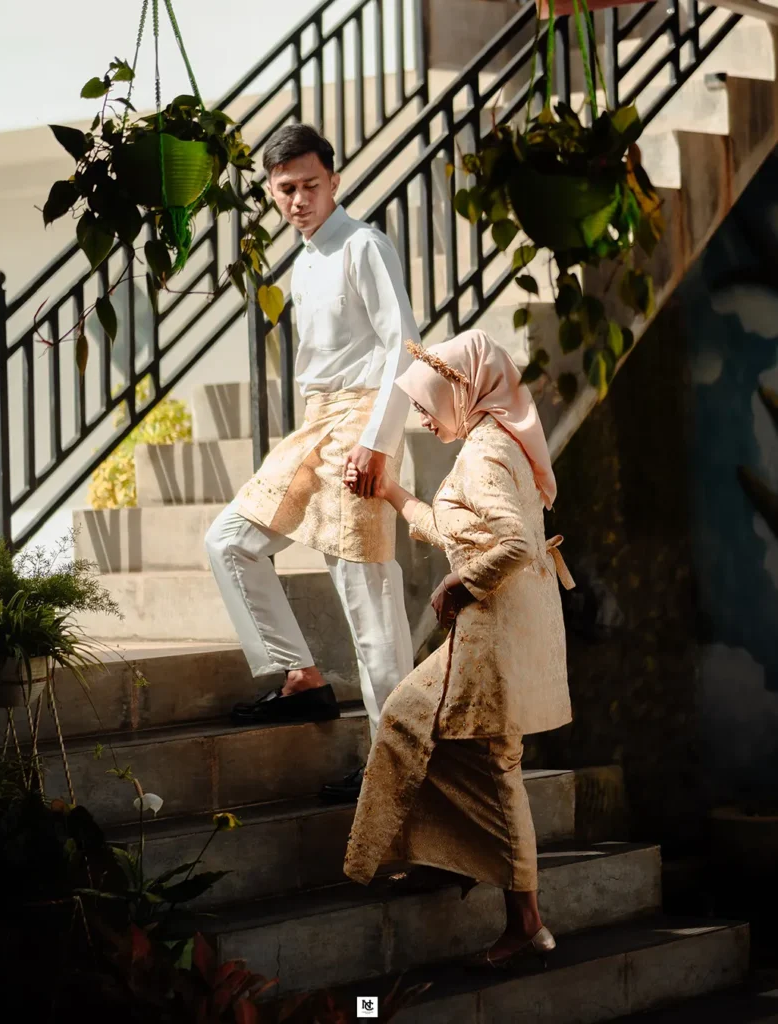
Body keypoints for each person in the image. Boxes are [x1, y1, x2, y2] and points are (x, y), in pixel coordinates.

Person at [343, 329, 575, 966]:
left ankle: (526, 919)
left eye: (427, 404)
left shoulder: (484, 454)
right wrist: (393, 492)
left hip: (490, 633)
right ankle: (452, 859)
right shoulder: (497, 439)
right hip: (501, 627)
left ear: (463, 391)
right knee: (420, 726)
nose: (422, 417)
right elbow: (460, 529)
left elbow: (515, 544)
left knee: (485, 757)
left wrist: (458, 582)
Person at [204, 124, 417, 801]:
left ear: (334, 181)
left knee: (368, 600)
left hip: (361, 428)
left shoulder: (363, 245)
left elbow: (402, 345)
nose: (298, 200)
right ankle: (301, 676)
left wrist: (378, 442)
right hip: (315, 427)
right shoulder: (303, 259)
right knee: (229, 541)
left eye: (310, 185)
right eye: (285, 189)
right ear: (272, 191)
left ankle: (395, 767)